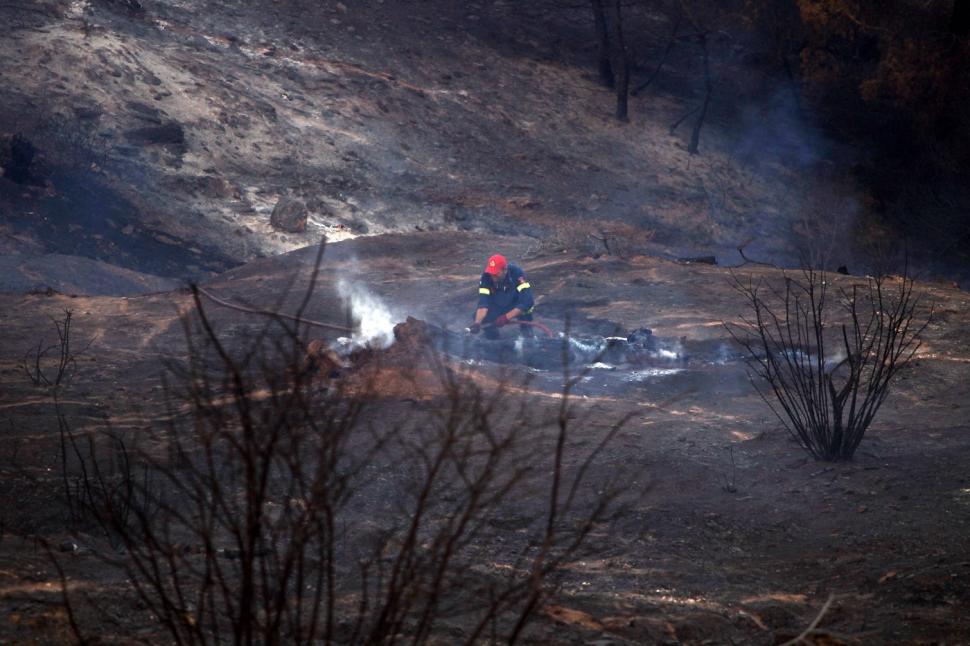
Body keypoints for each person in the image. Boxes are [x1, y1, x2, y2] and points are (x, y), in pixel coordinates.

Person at [469, 254, 535, 339]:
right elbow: (483, 303)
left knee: (527, 308)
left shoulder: (516, 273)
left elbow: (527, 301)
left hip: (515, 304)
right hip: (498, 305)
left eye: (496, 274)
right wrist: (477, 323)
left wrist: (506, 317)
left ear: (505, 270)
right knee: (478, 317)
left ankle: (527, 333)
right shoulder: (486, 277)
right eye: (491, 273)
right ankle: (493, 338)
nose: (493, 277)